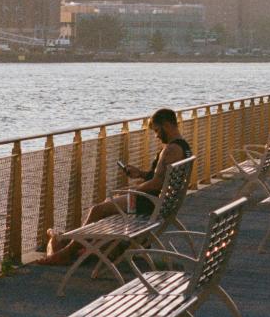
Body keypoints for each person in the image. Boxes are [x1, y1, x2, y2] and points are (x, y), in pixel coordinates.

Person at [48, 107, 191, 259]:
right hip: (162, 203)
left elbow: (156, 184)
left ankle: (68, 250)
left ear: (167, 125)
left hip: (148, 204)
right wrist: (140, 173)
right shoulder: (184, 147)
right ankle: (78, 243)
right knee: (109, 202)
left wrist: (132, 190)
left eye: (157, 130)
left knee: (97, 210)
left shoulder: (171, 149)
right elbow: (160, 178)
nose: (156, 136)